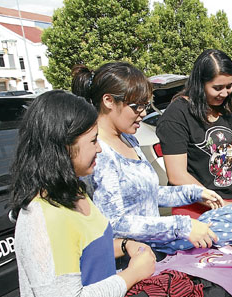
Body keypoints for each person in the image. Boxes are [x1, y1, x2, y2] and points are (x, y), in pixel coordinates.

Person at [10, 90, 156, 297]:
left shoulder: (74, 189)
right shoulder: (43, 217)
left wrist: (125, 245)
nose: (100, 149)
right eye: (92, 141)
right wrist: (131, 274)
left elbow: (84, 249)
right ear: (63, 148)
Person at [72, 62, 223, 250]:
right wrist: (181, 226)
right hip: (130, 263)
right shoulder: (100, 153)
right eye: (136, 106)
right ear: (109, 101)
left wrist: (194, 193)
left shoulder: (128, 139)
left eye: (146, 105)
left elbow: (148, 193)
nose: (143, 113)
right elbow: (115, 222)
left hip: (151, 254)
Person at [156, 49, 232, 218]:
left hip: (229, 203)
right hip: (194, 209)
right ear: (199, 84)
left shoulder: (226, 111)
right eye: (217, 88)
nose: (224, 93)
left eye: (229, 86)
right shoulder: (178, 114)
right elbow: (177, 175)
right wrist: (217, 202)